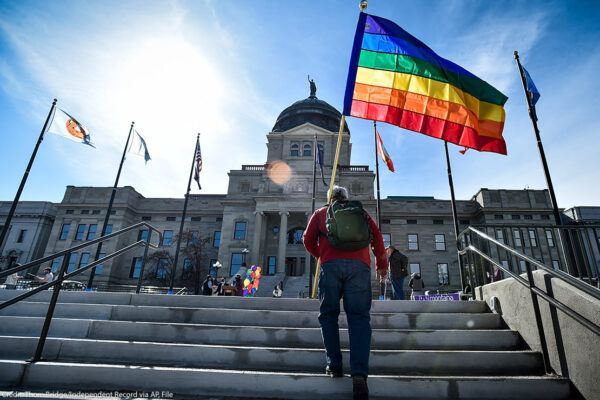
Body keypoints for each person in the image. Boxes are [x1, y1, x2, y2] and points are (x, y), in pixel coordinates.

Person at [304, 186, 387, 400]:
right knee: (359, 318)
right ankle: (359, 374)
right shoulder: (361, 212)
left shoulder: (321, 213)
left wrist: (322, 255)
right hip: (359, 267)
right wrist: (381, 265)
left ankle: (335, 364)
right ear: (347, 198)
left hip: (331, 267)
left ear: (330, 198)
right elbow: (377, 238)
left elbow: (307, 239)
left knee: (329, 315)